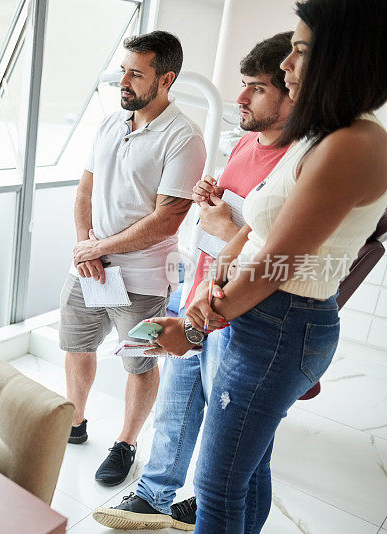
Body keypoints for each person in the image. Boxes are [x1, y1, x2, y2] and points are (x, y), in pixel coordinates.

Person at [145, 1, 387, 531]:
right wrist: (215, 280)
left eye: (299, 52)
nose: (286, 66)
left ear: (341, 58)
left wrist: (193, 326)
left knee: (216, 486)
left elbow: (279, 262)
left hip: (284, 322)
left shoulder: (354, 144)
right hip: (260, 315)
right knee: (243, 474)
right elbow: (258, 233)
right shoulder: (322, 136)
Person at [92, 32, 294, 531]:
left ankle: (206, 505)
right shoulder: (247, 143)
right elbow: (216, 220)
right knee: (178, 405)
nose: (241, 98)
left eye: (258, 88)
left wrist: (225, 224)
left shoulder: (299, 164)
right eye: (242, 85)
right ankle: (154, 496)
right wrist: (212, 203)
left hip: (241, 311)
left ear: (293, 90)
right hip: (198, 288)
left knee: (239, 446)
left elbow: (271, 249)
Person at [60, 30, 206, 487]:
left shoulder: (185, 138)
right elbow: (85, 189)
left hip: (142, 278)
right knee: (77, 346)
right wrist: (86, 244)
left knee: (139, 362)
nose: (123, 80)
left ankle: (125, 443)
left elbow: (168, 219)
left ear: (165, 79)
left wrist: (99, 248)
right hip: (88, 268)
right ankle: (76, 421)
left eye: (135, 74)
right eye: (123, 70)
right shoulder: (110, 123)